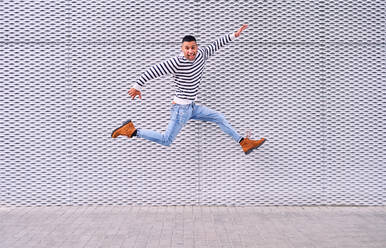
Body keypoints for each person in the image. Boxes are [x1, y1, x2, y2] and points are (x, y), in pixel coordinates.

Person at [111, 24, 265, 155]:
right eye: (187, 48)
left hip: (192, 107)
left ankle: (244, 143)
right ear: (182, 49)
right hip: (181, 110)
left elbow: (216, 44)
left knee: (219, 117)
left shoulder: (202, 54)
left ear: (197, 47)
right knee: (166, 140)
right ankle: (132, 130)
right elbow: (154, 70)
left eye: (193, 47)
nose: (191, 51)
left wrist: (234, 35)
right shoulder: (176, 62)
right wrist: (137, 86)